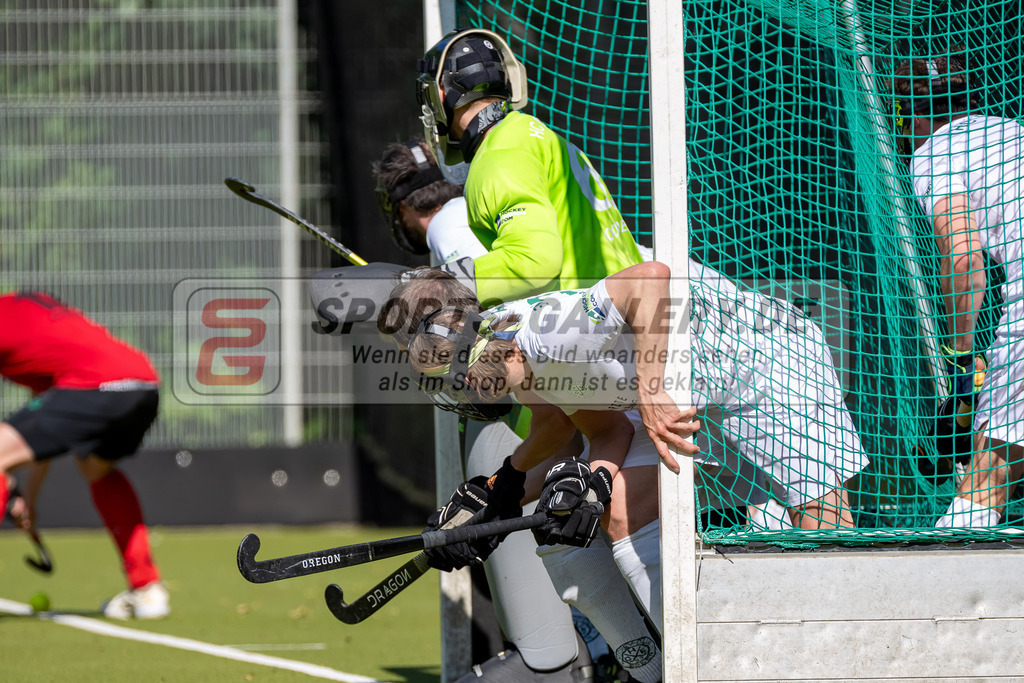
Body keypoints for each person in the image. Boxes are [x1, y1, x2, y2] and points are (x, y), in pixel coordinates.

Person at [373, 140, 631, 681]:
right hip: (589, 376)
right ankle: (609, 652)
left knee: (567, 514)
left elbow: (482, 318)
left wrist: (500, 489)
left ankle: (569, 654)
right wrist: (502, 493)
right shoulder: (478, 206)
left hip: (588, 377)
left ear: (402, 209)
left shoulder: (447, 232)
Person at [893, 49, 1024, 527]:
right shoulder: (1012, 133)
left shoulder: (939, 152)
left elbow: (965, 258)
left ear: (906, 113)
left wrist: (962, 357)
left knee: (983, 487)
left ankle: (929, 600)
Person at [0, 291, 168, 619]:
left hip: (96, 387)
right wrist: (29, 501)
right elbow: (43, 434)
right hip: (142, 384)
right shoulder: (27, 308)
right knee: (96, 468)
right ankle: (147, 590)